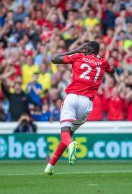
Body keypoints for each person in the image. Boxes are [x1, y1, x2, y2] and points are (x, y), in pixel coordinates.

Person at [44, 41, 114, 175]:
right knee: (69, 134)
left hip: (72, 97)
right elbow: (113, 70)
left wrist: (75, 50)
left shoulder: (78, 56)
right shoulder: (103, 63)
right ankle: (50, 166)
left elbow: (54, 59)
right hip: (87, 103)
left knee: (65, 133)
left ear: (86, 50)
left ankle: (71, 145)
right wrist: (101, 61)